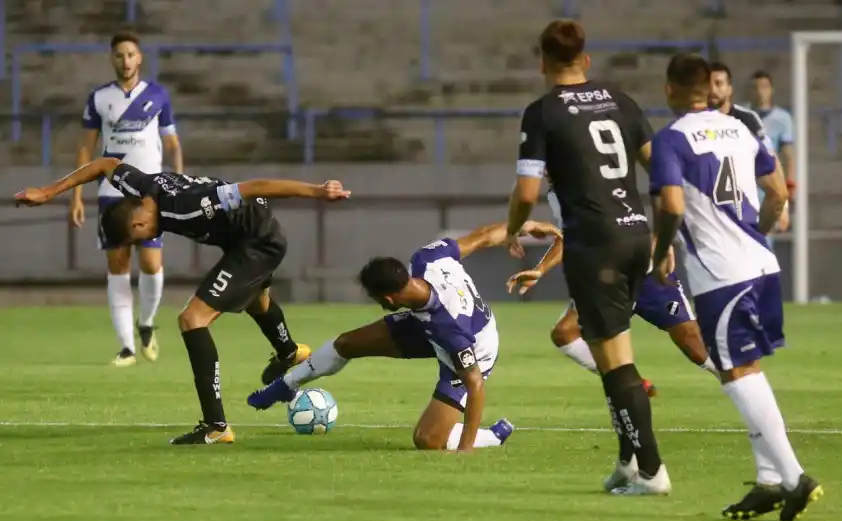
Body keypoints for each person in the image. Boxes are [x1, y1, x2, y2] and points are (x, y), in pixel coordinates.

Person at [15, 157, 348, 445]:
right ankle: (290, 352)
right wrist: (47, 192)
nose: (142, 243)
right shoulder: (141, 187)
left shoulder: (186, 206)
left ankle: (216, 427)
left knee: (192, 319)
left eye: (136, 240)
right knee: (256, 302)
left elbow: (255, 186)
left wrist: (318, 192)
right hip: (244, 236)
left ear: (138, 222)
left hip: (258, 242)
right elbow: (104, 165)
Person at [650, 53, 823, 521]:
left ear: (669, 90)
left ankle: (794, 477)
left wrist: (661, 250)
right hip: (762, 265)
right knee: (744, 367)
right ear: (710, 87)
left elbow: (670, 203)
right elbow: (779, 192)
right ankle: (769, 481)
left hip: (722, 276)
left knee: (737, 373)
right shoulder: (741, 129)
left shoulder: (670, 140)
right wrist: (758, 233)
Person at [504, 19, 669, 495]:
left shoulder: (542, 113)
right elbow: (661, 171)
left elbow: (527, 190)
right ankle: (626, 462)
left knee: (617, 363)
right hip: (638, 236)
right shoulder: (622, 101)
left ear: (542, 61)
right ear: (586, 59)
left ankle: (653, 472)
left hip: (595, 244)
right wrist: (666, 234)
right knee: (608, 354)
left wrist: (513, 228)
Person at [248, 221, 561, 451]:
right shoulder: (427, 258)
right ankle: (286, 386)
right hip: (421, 321)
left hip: (474, 347)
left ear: (388, 299)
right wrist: (522, 226)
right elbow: (480, 238)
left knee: (428, 440)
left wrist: (465, 452)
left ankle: (492, 435)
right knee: (348, 343)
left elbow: (475, 384)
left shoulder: (448, 328)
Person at [507, 173, 716, 387]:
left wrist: (540, 266)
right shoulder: (559, 191)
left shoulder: (584, 181)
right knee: (565, 333)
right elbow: (572, 235)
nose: (544, 171)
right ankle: (629, 384)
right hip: (608, 278)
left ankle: (737, 379)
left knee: (691, 340)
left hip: (642, 270)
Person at [70, 30, 183, 366]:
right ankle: (126, 347)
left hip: (150, 192)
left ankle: (146, 324)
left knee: (151, 263)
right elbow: (86, 148)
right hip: (111, 193)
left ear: (140, 57)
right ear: (112, 58)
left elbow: (173, 144)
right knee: (117, 266)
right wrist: (77, 195)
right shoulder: (99, 98)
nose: (126, 60)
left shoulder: (158, 96)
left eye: (131, 54)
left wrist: (177, 182)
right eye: (119, 55)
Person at [708, 62, 790, 248]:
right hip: (712, 212)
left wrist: (783, 206)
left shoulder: (747, 119)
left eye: (719, 84)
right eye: (708, 84)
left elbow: (772, 158)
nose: (712, 90)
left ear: (729, 88)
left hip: (749, 205)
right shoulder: (696, 122)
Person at [748, 70, 795, 235]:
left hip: (769, 187)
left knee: (765, 241)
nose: (760, 91)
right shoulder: (741, 115)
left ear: (771, 89)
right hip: (744, 187)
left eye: (764, 86)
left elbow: (788, 157)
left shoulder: (782, 119)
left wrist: (787, 201)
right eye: (756, 87)